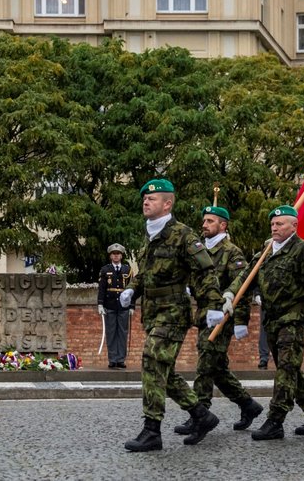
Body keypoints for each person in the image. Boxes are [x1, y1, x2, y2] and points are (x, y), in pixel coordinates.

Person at [118, 178, 223, 452]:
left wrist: (212, 304)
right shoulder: (150, 235)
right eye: (144, 199)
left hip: (173, 311)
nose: (146, 202)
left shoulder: (183, 234)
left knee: (151, 360)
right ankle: (202, 415)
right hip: (153, 313)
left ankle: (152, 431)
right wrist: (132, 289)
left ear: (168, 203)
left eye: (152, 199)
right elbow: (145, 274)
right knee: (163, 370)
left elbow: (205, 270)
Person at [224, 205, 304, 441]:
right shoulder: (266, 250)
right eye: (272, 224)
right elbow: (246, 277)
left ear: (294, 226)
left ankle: (275, 420)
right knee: (289, 368)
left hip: (294, 319)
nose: (275, 227)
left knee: (286, 369)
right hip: (272, 319)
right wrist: (231, 294)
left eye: (280, 224)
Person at [177, 206, 263, 436]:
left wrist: (241, 321)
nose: (204, 225)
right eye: (204, 221)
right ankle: (248, 405)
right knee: (217, 369)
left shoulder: (232, 253)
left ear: (223, 225)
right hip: (204, 314)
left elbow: (242, 288)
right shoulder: (199, 251)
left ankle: (200, 414)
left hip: (222, 317)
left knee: (205, 365)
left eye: (210, 221)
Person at [97, 243, 132, 368]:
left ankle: (121, 359)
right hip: (110, 305)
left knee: (122, 333)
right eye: (114, 254)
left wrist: (132, 306)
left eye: (118, 254)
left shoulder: (128, 270)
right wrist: (100, 304)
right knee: (111, 332)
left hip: (123, 306)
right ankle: (112, 359)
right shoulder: (105, 270)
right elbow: (101, 288)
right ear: (110, 256)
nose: (116, 256)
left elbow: (131, 289)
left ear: (121, 256)